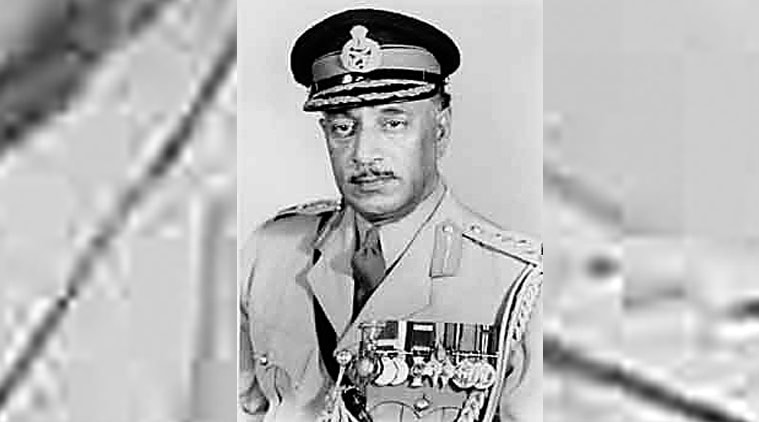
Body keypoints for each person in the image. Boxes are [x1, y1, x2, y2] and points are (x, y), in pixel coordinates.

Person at [239, 8, 542, 422]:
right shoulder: (268, 254)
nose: (364, 154)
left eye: (393, 123)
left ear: (440, 129)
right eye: (343, 127)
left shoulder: (520, 283)